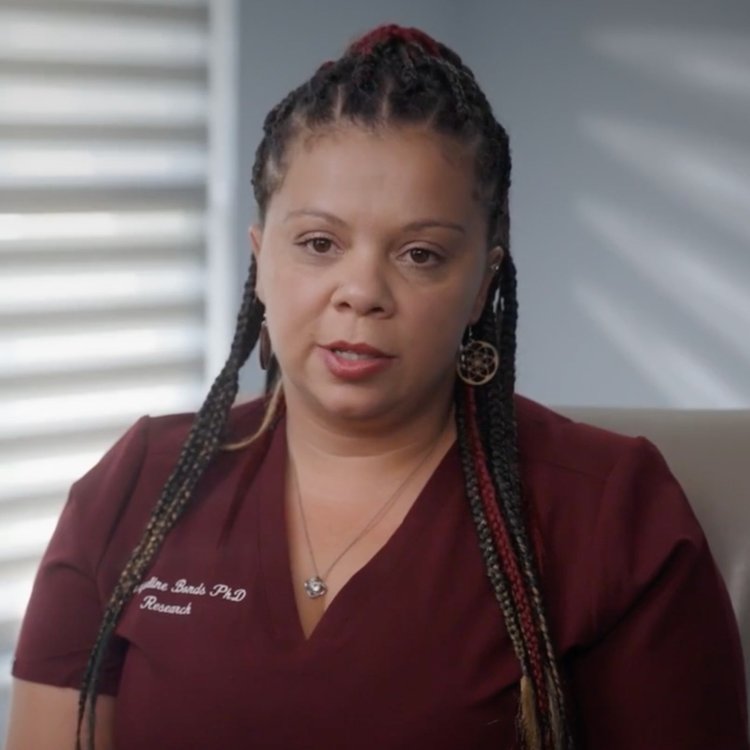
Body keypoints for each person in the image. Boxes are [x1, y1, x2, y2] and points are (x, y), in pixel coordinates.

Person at [5, 23, 748, 750]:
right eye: (319, 243)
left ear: (483, 280)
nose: (361, 291)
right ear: (261, 261)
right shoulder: (135, 486)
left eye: (420, 254)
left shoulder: (612, 514)